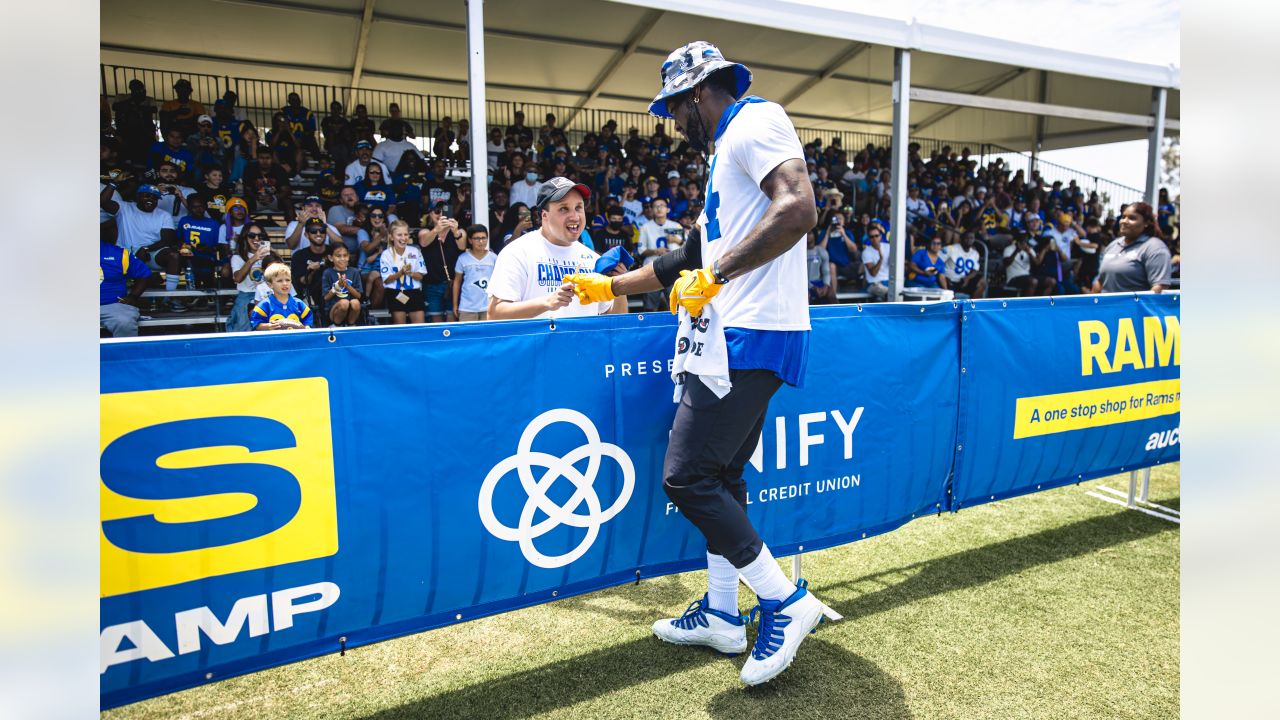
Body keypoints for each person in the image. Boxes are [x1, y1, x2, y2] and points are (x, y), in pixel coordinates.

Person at [563, 42, 830, 686]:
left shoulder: (755, 122)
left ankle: (784, 602)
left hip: (749, 332)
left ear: (696, 94)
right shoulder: (724, 153)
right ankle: (720, 614)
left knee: (686, 478)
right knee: (722, 473)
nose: (672, 124)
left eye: (673, 110)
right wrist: (612, 288)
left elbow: (798, 210)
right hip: (732, 334)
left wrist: (717, 274)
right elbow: (687, 256)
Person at [487, 177, 627, 320]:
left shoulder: (593, 260)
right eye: (564, 209)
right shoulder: (517, 252)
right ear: (544, 216)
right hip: (534, 343)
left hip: (582, 343)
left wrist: (620, 286)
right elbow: (495, 314)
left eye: (579, 207)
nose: (575, 216)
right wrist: (547, 302)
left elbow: (616, 320)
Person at [1093, 202, 1172, 294]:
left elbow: (1159, 288)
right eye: (1123, 217)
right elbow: (1100, 282)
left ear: (1146, 223)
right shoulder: (1113, 245)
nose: (1124, 221)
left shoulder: (1154, 248)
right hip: (1106, 307)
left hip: (1133, 308)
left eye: (1132, 218)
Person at [227, 223, 280, 332]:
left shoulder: (268, 255)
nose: (256, 238)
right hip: (247, 295)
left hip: (268, 294)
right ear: (245, 237)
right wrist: (253, 259)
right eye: (252, 235)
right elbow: (237, 278)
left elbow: (282, 274)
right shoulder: (237, 257)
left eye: (260, 236)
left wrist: (276, 255)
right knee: (244, 327)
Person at [417, 204, 464, 322]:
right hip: (432, 283)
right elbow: (424, 242)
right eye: (437, 211)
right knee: (435, 319)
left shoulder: (459, 231)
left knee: (452, 317)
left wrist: (455, 232)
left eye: (444, 212)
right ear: (430, 214)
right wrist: (437, 230)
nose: (441, 215)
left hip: (453, 284)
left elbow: (462, 246)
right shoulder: (425, 231)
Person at [635, 197, 683, 311]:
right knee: (650, 307)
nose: (659, 208)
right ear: (651, 209)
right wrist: (656, 251)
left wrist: (677, 240)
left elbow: (685, 247)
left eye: (662, 205)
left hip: (672, 268)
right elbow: (641, 250)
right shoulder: (645, 227)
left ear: (667, 209)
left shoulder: (676, 226)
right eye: (656, 206)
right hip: (652, 268)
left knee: (676, 306)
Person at [100, 233, 152, 338]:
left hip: (112, 305)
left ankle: (124, 354)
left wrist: (133, 296)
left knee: (124, 320)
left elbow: (144, 274)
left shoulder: (117, 253)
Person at [380, 220, 427, 324]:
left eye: (406, 234)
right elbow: (387, 280)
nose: (403, 238)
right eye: (399, 235)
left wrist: (411, 273)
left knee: (420, 328)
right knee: (401, 329)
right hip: (395, 293)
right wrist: (401, 272)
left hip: (414, 292)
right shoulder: (386, 254)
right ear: (392, 237)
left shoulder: (415, 251)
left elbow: (420, 276)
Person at [452, 224, 497, 321]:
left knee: (487, 335)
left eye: (484, 238)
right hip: (467, 307)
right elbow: (457, 282)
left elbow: (499, 281)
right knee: (467, 335)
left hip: (488, 306)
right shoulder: (462, 258)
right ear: (470, 240)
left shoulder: (494, 257)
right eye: (477, 238)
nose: (481, 241)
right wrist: (455, 304)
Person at [251, 263, 313, 331]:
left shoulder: (299, 304)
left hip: (295, 340)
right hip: (274, 341)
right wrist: (267, 326)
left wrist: (306, 327)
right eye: (280, 281)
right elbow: (256, 324)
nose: (285, 283)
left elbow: (308, 321)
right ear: (270, 285)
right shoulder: (264, 305)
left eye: (287, 280)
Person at [321, 243, 363, 327]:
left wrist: (347, 286)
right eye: (338, 256)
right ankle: (336, 325)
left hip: (350, 309)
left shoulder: (354, 272)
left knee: (355, 303)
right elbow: (326, 297)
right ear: (330, 258)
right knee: (344, 303)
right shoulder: (328, 273)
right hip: (333, 310)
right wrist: (338, 286)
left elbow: (358, 295)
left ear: (348, 257)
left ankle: (351, 324)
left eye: (345, 255)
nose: (342, 259)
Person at [941, 231, 987, 299]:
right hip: (949, 280)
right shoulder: (951, 248)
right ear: (961, 239)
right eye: (967, 238)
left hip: (963, 281)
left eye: (971, 238)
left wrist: (968, 278)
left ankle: (972, 305)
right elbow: (938, 262)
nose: (969, 240)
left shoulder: (975, 253)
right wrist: (945, 276)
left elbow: (975, 270)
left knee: (982, 282)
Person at [1002, 229, 1039, 296]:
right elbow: (1006, 263)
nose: (1024, 241)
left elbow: (1037, 263)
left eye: (1025, 239)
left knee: (1050, 281)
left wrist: (1029, 253)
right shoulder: (1009, 249)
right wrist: (1016, 251)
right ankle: (1027, 305)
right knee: (1033, 281)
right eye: (1022, 239)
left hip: (1027, 276)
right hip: (1013, 278)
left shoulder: (1029, 249)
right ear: (1017, 240)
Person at [861, 222, 890, 300]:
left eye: (876, 236)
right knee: (890, 295)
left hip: (888, 282)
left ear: (880, 236)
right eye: (871, 237)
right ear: (869, 238)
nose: (874, 239)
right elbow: (873, 273)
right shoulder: (866, 252)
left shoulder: (888, 247)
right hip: (874, 283)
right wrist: (880, 259)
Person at [805, 230, 833, 303]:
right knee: (806, 298)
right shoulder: (799, 253)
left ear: (814, 235)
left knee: (831, 295)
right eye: (805, 234)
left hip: (817, 282)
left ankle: (840, 314)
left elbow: (826, 272)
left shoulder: (821, 251)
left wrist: (826, 285)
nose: (807, 236)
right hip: (803, 284)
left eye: (810, 233)